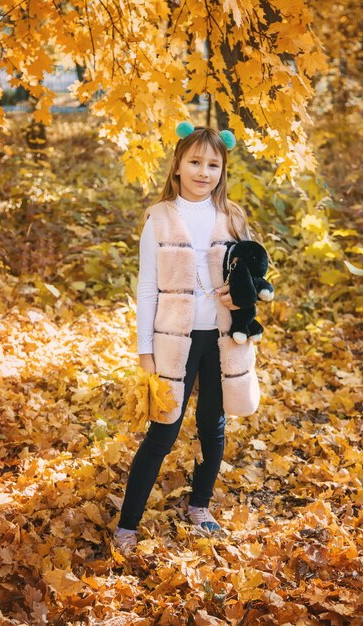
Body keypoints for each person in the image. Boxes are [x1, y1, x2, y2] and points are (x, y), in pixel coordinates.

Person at [113, 123, 260, 556]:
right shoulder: (159, 219)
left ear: (223, 169)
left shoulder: (231, 217)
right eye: (195, 162)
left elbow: (253, 273)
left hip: (222, 338)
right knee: (163, 432)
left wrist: (241, 292)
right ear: (177, 166)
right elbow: (146, 288)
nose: (203, 171)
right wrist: (145, 352)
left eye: (213, 164)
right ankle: (128, 524)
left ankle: (200, 507)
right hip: (175, 341)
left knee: (213, 426)